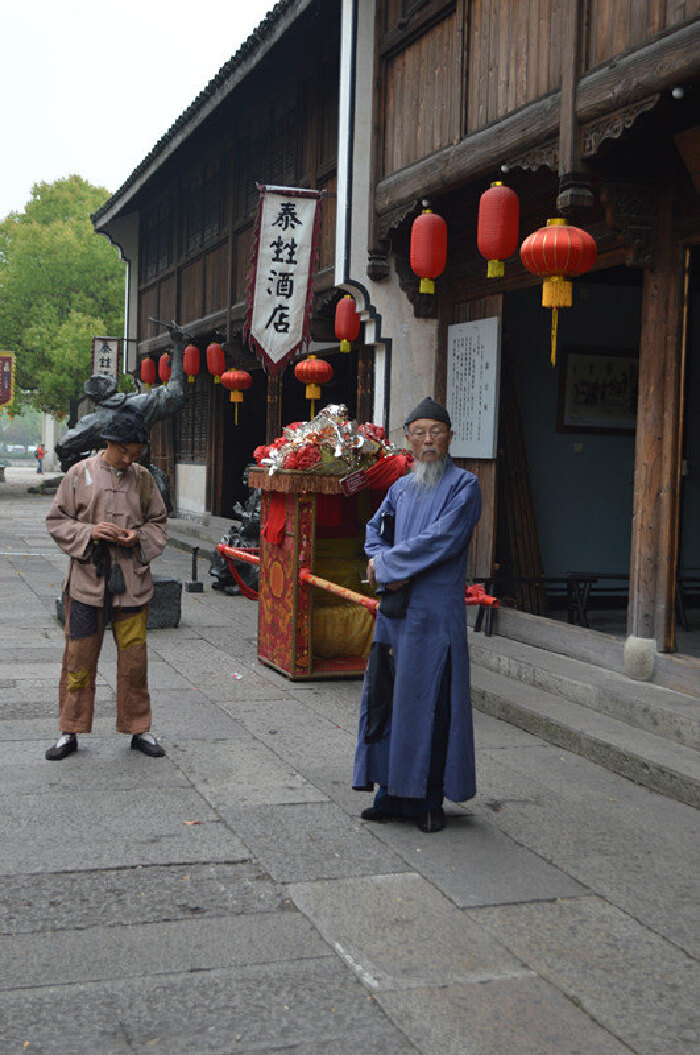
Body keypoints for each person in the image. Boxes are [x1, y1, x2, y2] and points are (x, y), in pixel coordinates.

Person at [353, 396, 482, 833]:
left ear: (449, 438)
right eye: (419, 433)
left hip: (434, 619)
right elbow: (376, 531)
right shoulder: (399, 489)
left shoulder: (465, 487)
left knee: (431, 704)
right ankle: (390, 793)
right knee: (388, 700)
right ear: (407, 439)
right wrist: (380, 565)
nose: (428, 440)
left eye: (437, 432)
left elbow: (441, 540)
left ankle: (428, 800)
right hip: (395, 613)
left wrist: (388, 568)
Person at [44, 403, 168, 761]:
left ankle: (138, 729)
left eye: (136, 454)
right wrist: (90, 531)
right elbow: (56, 521)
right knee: (78, 658)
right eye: (126, 452)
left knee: (134, 660)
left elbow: (158, 523)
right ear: (110, 443)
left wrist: (137, 536)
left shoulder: (144, 479)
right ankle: (69, 730)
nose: (130, 460)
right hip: (86, 583)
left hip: (131, 584)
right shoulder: (79, 474)